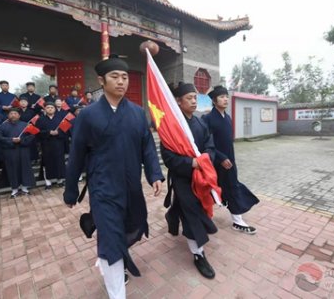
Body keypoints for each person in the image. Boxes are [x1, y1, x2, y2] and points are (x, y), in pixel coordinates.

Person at [63, 55, 164, 299]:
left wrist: (154, 174)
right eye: (115, 77)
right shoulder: (88, 115)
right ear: (101, 80)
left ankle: (112, 258)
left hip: (130, 185)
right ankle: (116, 290)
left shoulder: (138, 113)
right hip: (103, 187)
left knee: (131, 229)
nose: (121, 82)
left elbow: (147, 148)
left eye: (125, 77)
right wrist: (71, 189)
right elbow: (76, 153)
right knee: (109, 239)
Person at [161, 81, 217, 279]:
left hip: (201, 176)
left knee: (194, 208)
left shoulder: (201, 122)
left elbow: (210, 145)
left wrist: (205, 159)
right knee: (192, 214)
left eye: (195, 98)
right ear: (178, 101)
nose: (194, 101)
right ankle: (198, 254)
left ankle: (173, 215)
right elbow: (168, 157)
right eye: (189, 98)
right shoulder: (171, 127)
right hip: (183, 178)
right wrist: (190, 163)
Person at [202, 85, 259, 234]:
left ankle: (237, 221)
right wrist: (221, 158)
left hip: (229, 163)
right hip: (215, 162)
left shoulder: (227, 118)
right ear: (214, 101)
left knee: (232, 188)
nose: (225, 99)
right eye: (221, 97)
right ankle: (200, 217)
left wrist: (230, 159)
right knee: (209, 190)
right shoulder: (207, 119)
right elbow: (207, 143)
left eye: (226, 96)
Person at [0, 108, 36, 198]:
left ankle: (25, 188)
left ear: (19, 115)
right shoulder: (2, 126)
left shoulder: (26, 125)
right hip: (10, 151)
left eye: (15, 113)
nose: (13, 115)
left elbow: (31, 136)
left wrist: (21, 140)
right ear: (8, 115)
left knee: (25, 168)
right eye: (11, 113)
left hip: (23, 150)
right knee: (12, 170)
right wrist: (11, 140)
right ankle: (14, 189)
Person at [36, 102, 66, 189]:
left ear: (55, 109)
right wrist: (49, 132)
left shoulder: (60, 119)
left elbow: (65, 130)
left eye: (52, 107)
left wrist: (58, 132)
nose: (50, 109)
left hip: (58, 144)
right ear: (45, 109)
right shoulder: (40, 119)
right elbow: (38, 132)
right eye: (48, 107)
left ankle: (59, 180)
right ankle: (48, 183)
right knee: (47, 163)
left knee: (59, 162)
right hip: (46, 144)